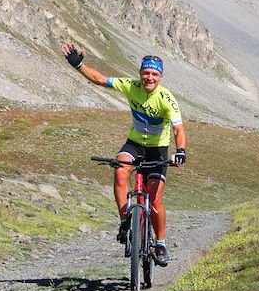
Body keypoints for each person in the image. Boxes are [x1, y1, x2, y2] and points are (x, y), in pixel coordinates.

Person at [62, 43, 186, 267]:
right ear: (140, 73)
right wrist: (78, 65)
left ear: (160, 77)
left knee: (155, 199)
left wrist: (180, 151)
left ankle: (160, 243)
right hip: (135, 144)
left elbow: (178, 129)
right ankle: (125, 223)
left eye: (154, 74)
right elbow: (101, 80)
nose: (149, 77)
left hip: (158, 149)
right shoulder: (131, 86)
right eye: (146, 72)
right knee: (120, 172)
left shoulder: (167, 100)